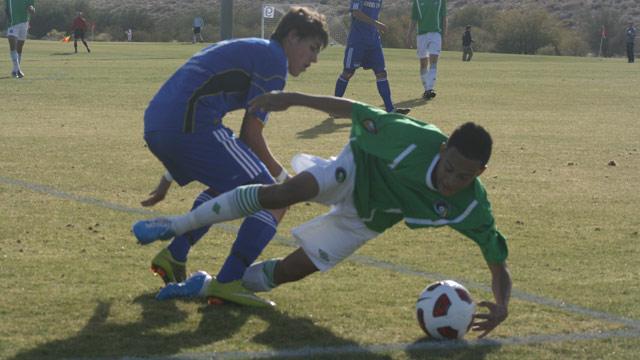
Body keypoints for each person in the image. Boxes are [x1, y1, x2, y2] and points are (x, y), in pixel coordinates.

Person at [133, 91, 512, 338]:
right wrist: (290, 99)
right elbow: (354, 110)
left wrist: (502, 305)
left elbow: (497, 263)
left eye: (463, 176)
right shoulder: (411, 138)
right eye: (449, 168)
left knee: (291, 271)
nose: (451, 180)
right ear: (443, 149)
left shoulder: (472, 206)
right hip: (355, 170)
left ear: (479, 174)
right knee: (289, 191)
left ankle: (212, 284)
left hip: (367, 218)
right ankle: (176, 225)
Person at [135, 7, 328, 308]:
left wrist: (167, 178)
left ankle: (175, 254)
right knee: (276, 198)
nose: (314, 59)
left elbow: (190, 94)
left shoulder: (255, 48)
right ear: (293, 36)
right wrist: (283, 181)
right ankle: (229, 281)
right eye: (313, 48)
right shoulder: (273, 60)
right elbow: (250, 135)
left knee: (232, 188)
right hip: (191, 127)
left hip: (160, 125)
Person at [334, 0, 409, 115]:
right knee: (348, 73)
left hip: (374, 42)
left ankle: (390, 109)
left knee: (381, 73)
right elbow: (356, 13)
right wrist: (376, 23)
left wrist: (375, 26)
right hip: (357, 41)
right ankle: (334, 109)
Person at [405, 0, 447, 100]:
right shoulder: (417, 1)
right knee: (423, 63)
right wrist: (409, 34)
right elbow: (414, 19)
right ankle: (426, 89)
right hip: (421, 35)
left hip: (436, 34)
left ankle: (429, 89)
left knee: (433, 61)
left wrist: (444, 35)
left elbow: (444, 18)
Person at [5, 0, 35, 78]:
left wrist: (31, 9)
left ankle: (15, 70)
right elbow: (6, 9)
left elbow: (31, 7)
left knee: (20, 46)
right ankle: (17, 70)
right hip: (13, 23)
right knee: (12, 45)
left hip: (24, 23)